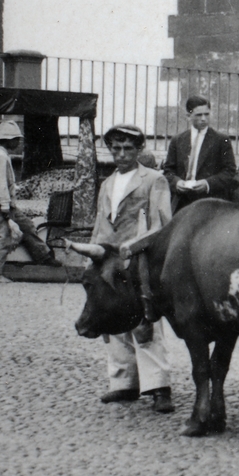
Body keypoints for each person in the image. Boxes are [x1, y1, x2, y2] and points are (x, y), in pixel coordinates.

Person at [94, 124, 176, 414]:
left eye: (128, 148)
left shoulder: (154, 180)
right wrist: (93, 257)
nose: (121, 154)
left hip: (140, 261)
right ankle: (124, 383)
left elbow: (163, 225)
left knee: (145, 322)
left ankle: (158, 387)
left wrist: (133, 246)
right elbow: (101, 225)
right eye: (116, 148)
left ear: (139, 149)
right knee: (113, 318)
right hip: (110, 263)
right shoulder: (107, 183)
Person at [0, 120, 59, 283]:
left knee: (27, 225)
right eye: (16, 139)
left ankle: (43, 256)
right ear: (8, 140)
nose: (18, 143)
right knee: (5, 235)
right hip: (1, 204)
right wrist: (5, 206)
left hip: (3, 203)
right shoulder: (1, 157)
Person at [162, 95, 237, 212]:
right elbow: (168, 170)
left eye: (207, 114)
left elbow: (230, 171)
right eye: (198, 115)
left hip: (210, 201)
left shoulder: (221, 140)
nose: (203, 119)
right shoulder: (177, 140)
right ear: (188, 116)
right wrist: (177, 183)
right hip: (181, 201)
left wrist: (208, 183)